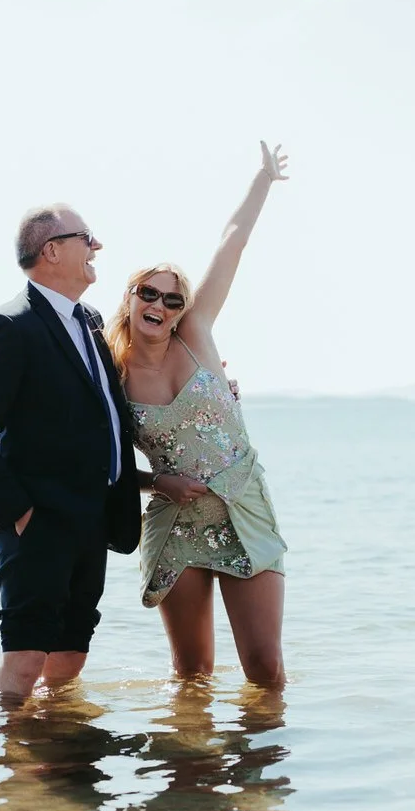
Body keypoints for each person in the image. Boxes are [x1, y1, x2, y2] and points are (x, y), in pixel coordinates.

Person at [104, 142, 291, 687]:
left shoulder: (198, 335)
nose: (160, 305)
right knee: (192, 676)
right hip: (175, 521)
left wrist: (263, 179)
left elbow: (233, 242)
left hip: (241, 503)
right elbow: (101, 460)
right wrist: (156, 480)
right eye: (149, 294)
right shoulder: (110, 377)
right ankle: (193, 770)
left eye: (172, 299)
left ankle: (264, 767)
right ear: (131, 299)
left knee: (265, 670)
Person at [0, 204, 152, 701]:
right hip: (38, 523)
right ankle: (12, 772)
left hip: (92, 518)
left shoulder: (89, 320)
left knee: (69, 658)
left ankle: (55, 759)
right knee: (24, 662)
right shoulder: (8, 325)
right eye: (87, 236)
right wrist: (19, 515)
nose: (97, 246)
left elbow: (104, 415)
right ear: (52, 250)